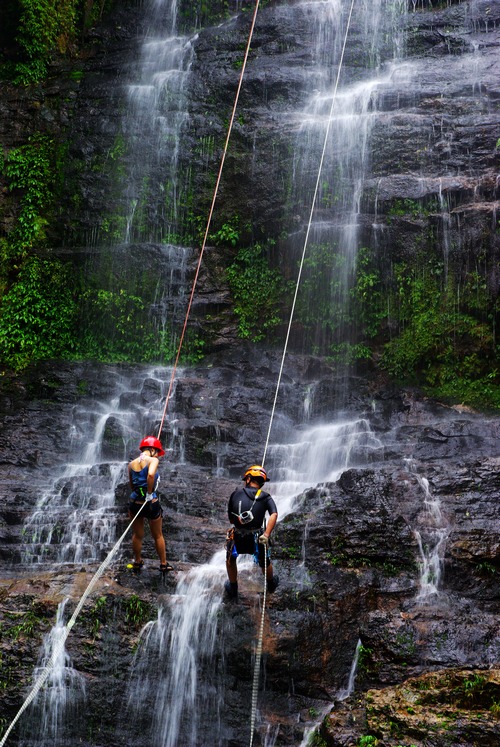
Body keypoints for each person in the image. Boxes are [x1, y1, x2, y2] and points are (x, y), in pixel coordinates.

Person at [225, 464, 279, 599]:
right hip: (257, 538)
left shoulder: (235, 494)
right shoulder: (266, 497)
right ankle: (271, 583)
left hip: (238, 537)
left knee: (231, 559)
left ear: (248, 479)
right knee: (264, 560)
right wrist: (266, 534)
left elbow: (231, 520)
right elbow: (274, 515)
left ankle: (233, 587)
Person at [128, 435, 173, 573]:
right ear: (153, 450)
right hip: (150, 502)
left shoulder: (131, 464)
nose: (158, 455)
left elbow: (131, 485)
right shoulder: (153, 460)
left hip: (135, 502)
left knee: (137, 534)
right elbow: (151, 475)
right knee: (158, 535)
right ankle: (163, 564)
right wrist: (148, 492)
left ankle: (137, 561)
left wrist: (141, 493)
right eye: (158, 452)